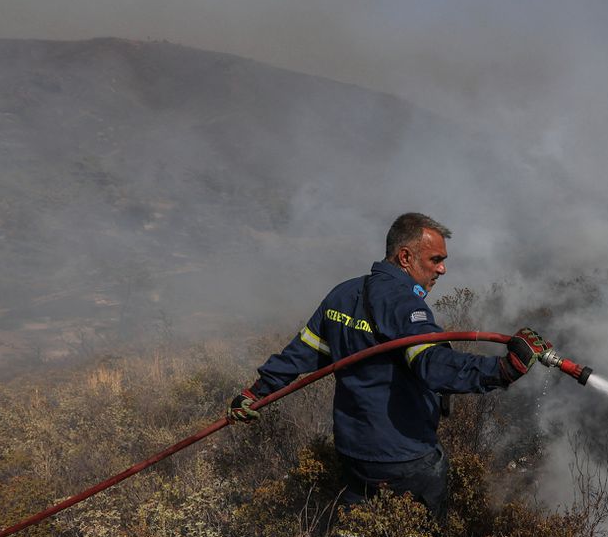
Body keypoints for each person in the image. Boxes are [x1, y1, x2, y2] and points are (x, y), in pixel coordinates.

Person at [228, 212, 550, 519]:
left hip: (353, 455)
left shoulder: (343, 295)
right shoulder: (407, 308)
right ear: (406, 257)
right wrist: (505, 369)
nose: (442, 270)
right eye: (435, 260)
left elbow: (299, 355)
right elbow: (435, 366)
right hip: (405, 458)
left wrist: (255, 393)